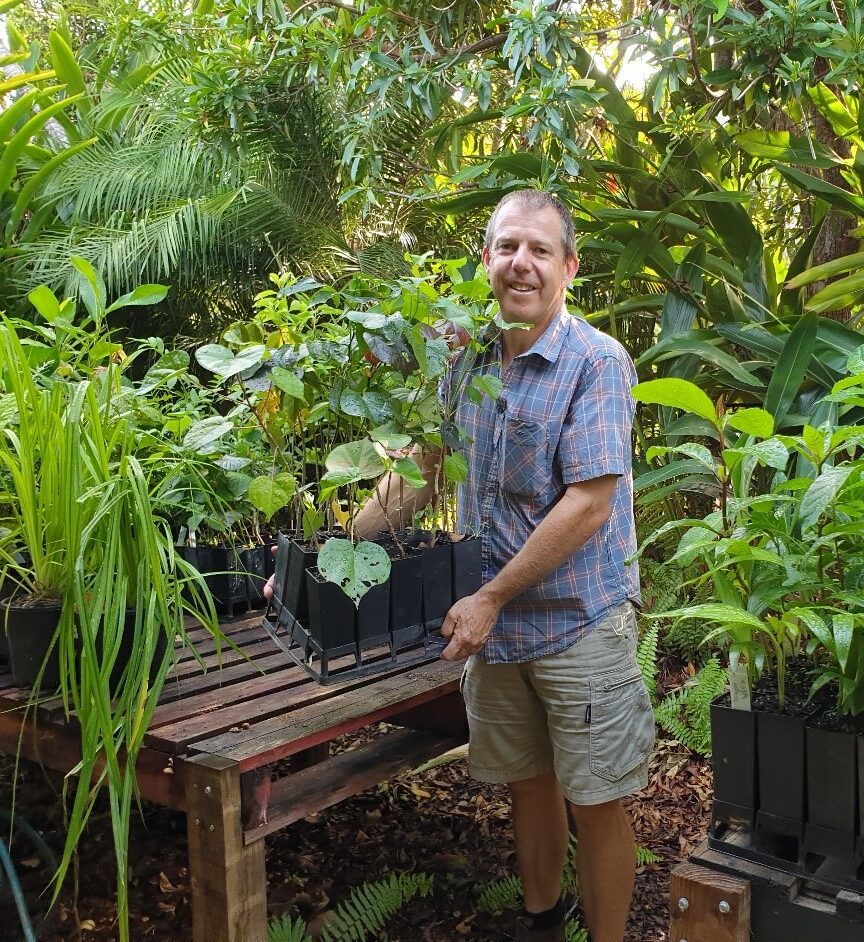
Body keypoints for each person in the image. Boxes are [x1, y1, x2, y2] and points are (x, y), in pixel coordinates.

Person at [270, 189, 652, 942]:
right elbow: (423, 463)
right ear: (485, 259)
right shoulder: (466, 353)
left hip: (579, 622)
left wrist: (490, 598)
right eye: (508, 246)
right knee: (528, 781)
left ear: (568, 267)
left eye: (541, 250)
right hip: (495, 627)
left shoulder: (596, 363)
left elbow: (587, 506)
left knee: (597, 798)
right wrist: (328, 560)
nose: (522, 263)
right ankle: (544, 920)